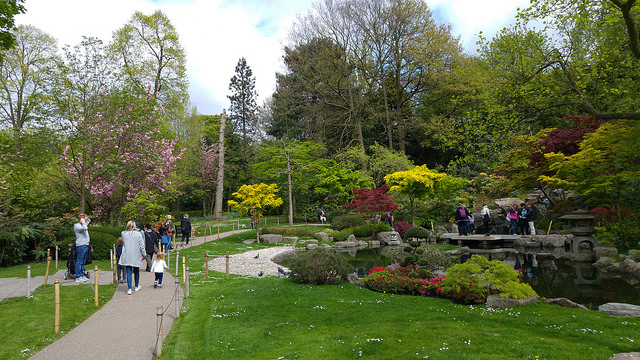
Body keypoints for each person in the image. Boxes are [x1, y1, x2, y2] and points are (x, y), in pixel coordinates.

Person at [119, 220, 146, 295]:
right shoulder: (138, 234)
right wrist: (144, 254)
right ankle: (136, 286)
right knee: (136, 270)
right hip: (136, 253)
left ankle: (129, 288)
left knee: (128, 271)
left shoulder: (123, 233)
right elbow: (142, 245)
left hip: (127, 254)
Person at [73, 213, 91, 282]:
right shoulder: (77, 226)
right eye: (85, 218)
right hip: (81, 245)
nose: (86, 220)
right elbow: (85, 228)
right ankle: (78, 276)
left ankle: (82, 274)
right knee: (79, 261)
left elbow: (89, 220)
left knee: (83, 261)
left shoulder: (84, 224)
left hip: (85, 244)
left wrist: (85, 217)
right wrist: (83, 221)